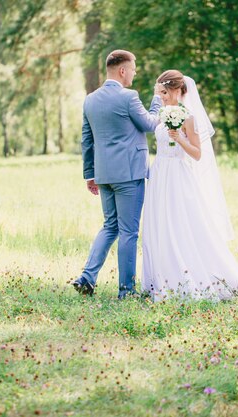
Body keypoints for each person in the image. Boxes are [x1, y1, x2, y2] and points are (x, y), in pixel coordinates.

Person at [141, 70, 238, 301]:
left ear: (177, 90)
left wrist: (180, 139)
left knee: (182, 226)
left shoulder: (188, 117)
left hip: (178, 175)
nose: (161, 98)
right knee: (160, 225)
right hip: (159, 175)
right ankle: (160, 278)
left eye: (164, 93)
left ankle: (188, 277)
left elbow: (197, 154)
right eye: (159, 93)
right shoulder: (162, 113)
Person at [72, 50, 162, 299]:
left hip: (104, 173)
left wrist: (89, 174)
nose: (134, 73)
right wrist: (157, 100)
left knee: (110, 226)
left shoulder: (90, 99)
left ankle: (87, 278)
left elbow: (86, 140)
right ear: (122, 70)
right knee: (128, 232)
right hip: (129, 174)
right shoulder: (128, 97)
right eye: (133, 68)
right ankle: (126, 290)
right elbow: (150, 124)